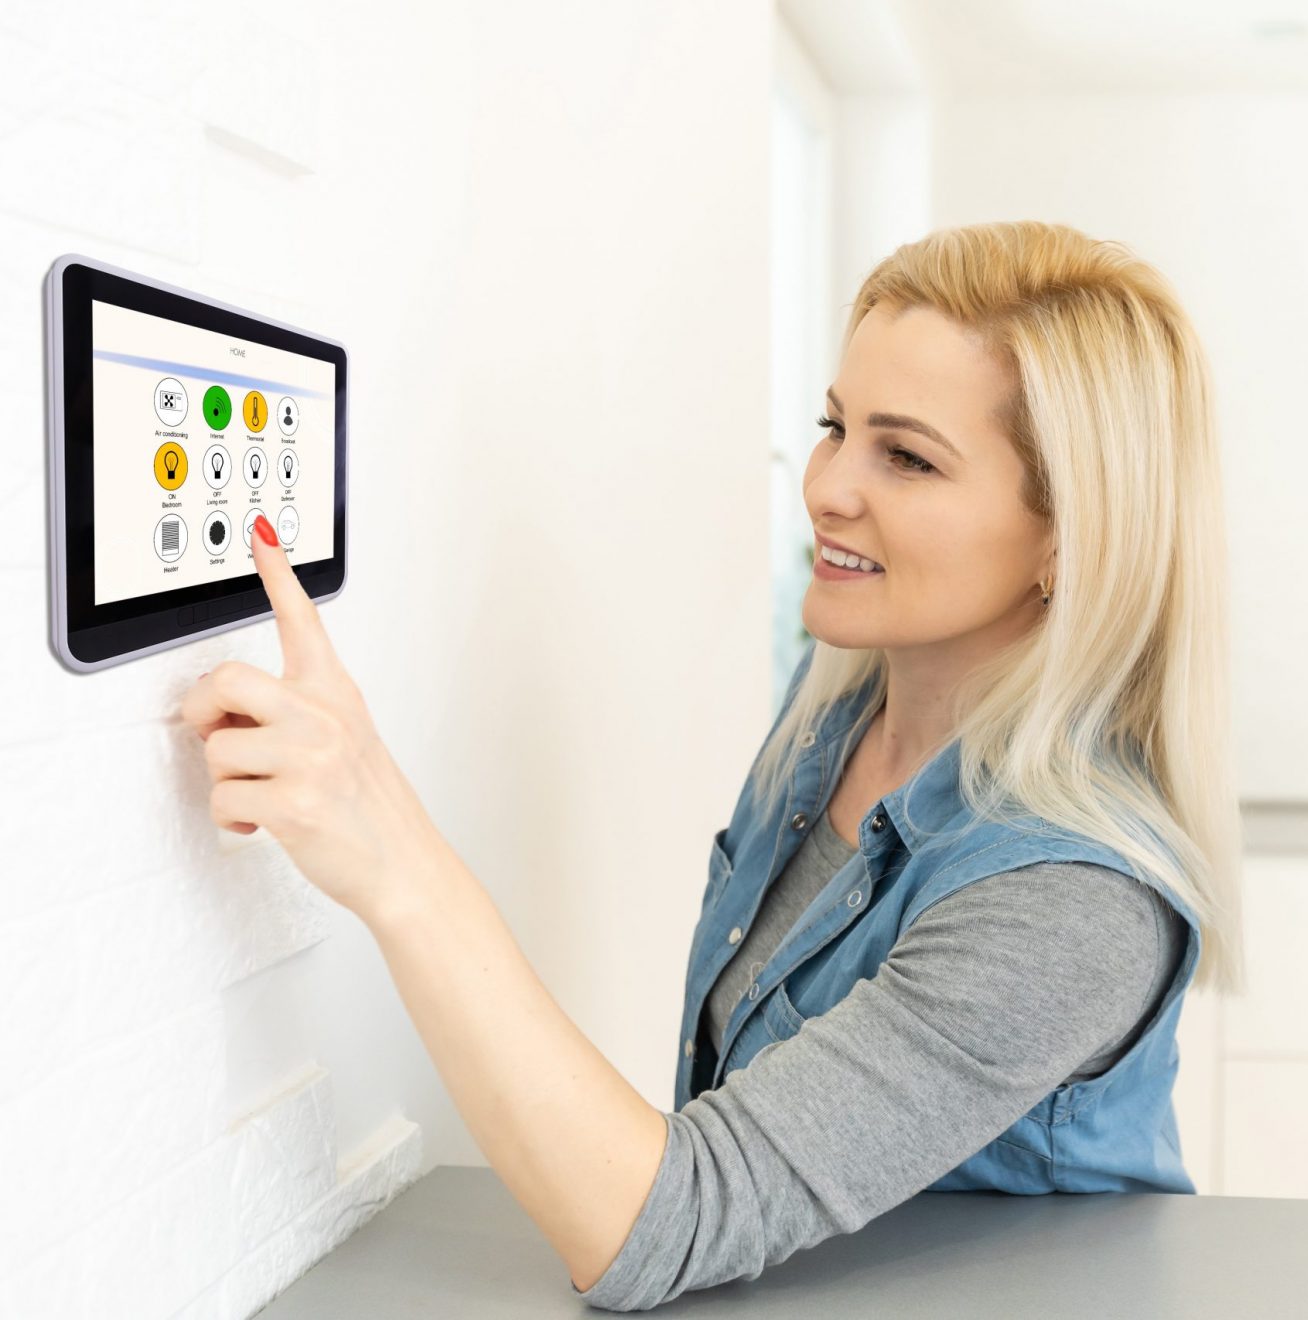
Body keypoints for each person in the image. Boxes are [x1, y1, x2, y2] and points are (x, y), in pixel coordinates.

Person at [179, 220, 1245, 1310]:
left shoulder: (1069, 901)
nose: (826, 486)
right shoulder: (832, 713)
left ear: (1072, 537)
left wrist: (389, 854)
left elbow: (661, 1226)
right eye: (837, 427)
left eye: (908, 456)